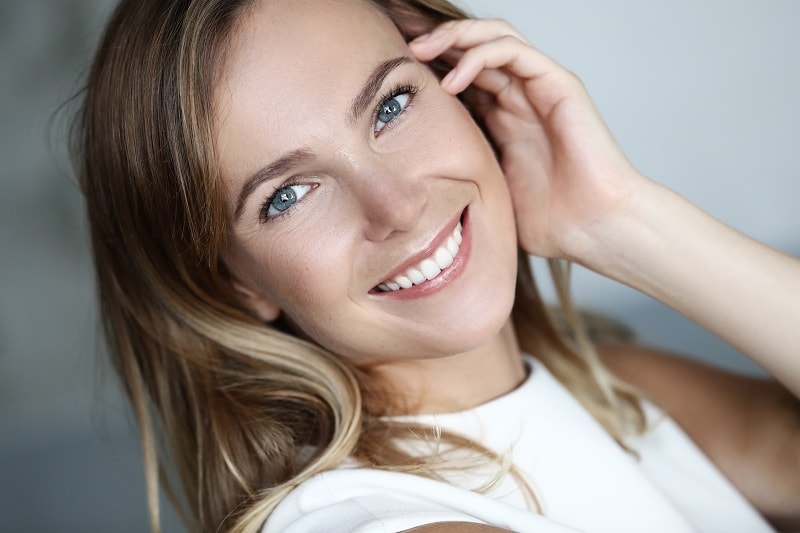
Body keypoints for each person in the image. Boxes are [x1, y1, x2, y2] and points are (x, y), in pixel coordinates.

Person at [73, 0, 800, 531]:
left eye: (391, 106)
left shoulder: (600, 388)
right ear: (232, 285)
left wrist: (618, 218)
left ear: (464, 88)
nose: (395, 205)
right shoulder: (376, 520)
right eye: (288, 195)